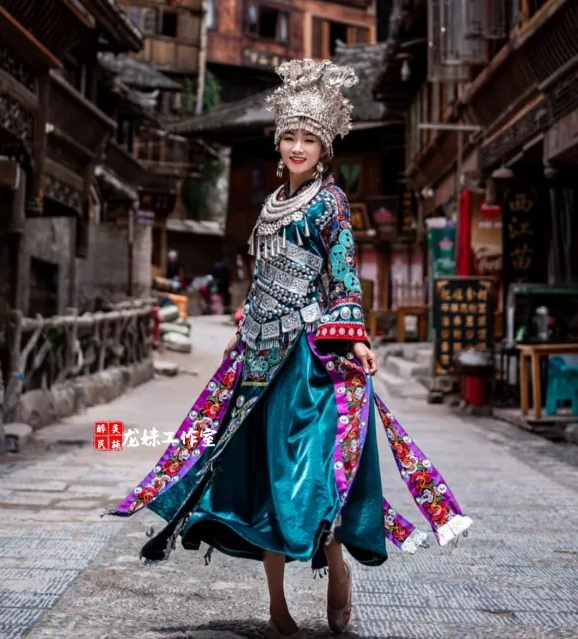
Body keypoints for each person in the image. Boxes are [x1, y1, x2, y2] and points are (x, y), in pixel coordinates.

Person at [106, 59, 472, 638]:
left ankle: (335, 566)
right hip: (255, 360)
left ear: (324, 147)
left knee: (308, 476)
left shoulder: (330, 204)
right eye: (290, 136)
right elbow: (260, 279)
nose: (298, 146)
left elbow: (345, 278)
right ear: (279, 142)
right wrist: (244, 322)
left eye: (309, 138)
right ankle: (277, 605)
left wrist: (357, 339)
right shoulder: (272, 204)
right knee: (260, 482)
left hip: (306, 361)